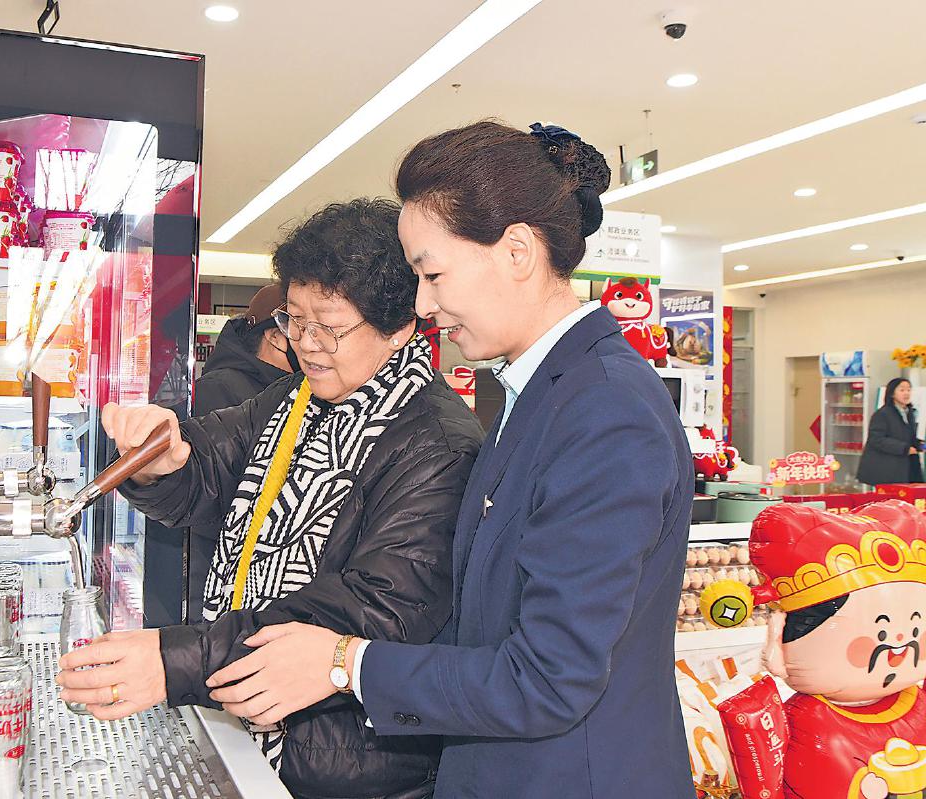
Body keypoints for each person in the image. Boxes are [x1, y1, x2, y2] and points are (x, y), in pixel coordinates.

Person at [201, 121, 697, 798]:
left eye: (432, 274)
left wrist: (346, 663)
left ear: (517, 251)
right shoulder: (536, 393)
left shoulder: (606, 411)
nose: (423, 305)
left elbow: (549, 677)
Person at [57, 198, 484, 799]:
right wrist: (164, 462)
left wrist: (178, 662)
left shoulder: (436, 445)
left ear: (400, 327)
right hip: (251, 734)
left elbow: (368, 610)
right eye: (294, 320)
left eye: (329, 326)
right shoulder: (294, 401)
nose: (306, 344)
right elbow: (208, 469)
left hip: (348, 767)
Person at [188, 283, 297, 618]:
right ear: (276, 336)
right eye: (303, 328)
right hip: (220, 583)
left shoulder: (296, 392)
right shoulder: (222, 390)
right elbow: (209, 495)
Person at [193, 283, 297, 417]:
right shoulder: (217, 390)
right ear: (275, 336)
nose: (309, 343)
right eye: (301, 330)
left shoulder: (298, 388)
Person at [858, 377, 924, 485]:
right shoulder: (882, 414)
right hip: (886, 468)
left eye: (909, 390)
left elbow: (906, 436)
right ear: (892, 393)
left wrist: (919, 445)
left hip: (906, 466)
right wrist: (904, 448)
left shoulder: (910, 413)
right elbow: (877, 439)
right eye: (902, 390)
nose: (906, 393)